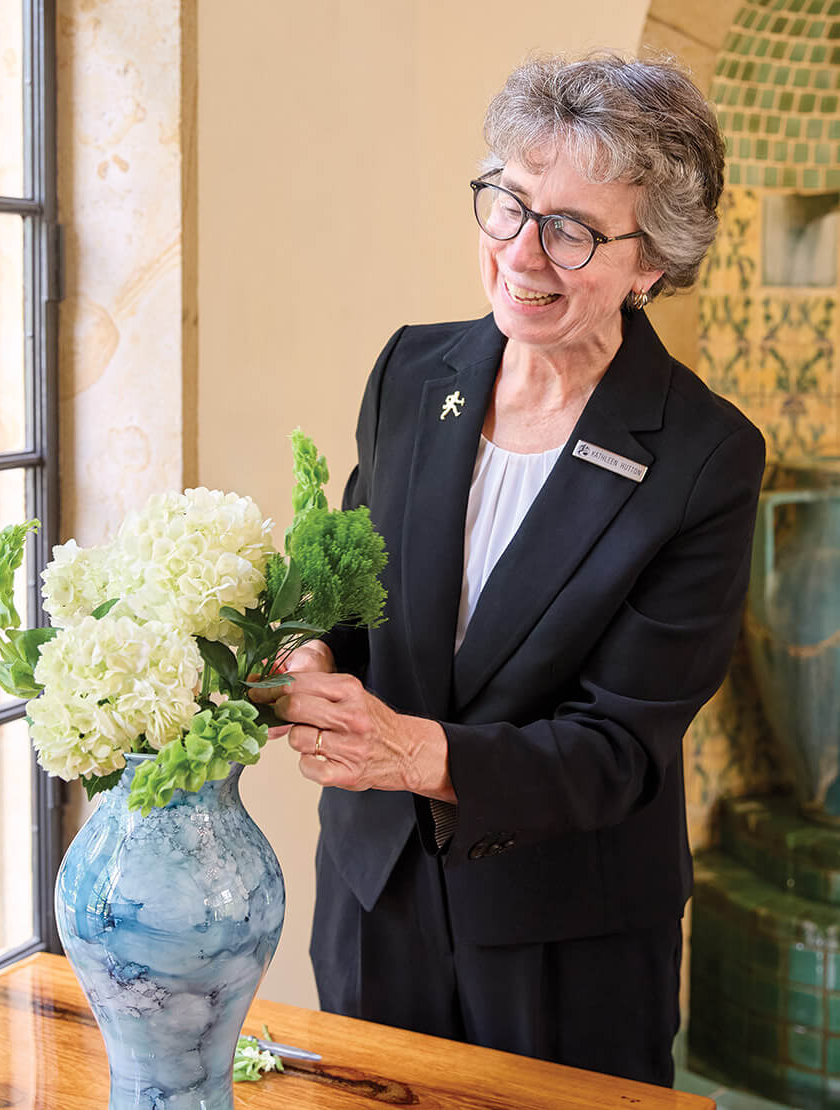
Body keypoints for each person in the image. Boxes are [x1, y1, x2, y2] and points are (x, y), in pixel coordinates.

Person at [250, 53, 765, 1086]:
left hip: (565, 936)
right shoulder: (412, 370)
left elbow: (619, 747)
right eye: (509, 205)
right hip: (374, 892)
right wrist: (305, 650)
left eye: (571, 229)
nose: (523, 253)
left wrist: (414, 752)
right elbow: (351, 593)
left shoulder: (707, 456)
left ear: (650, 264)